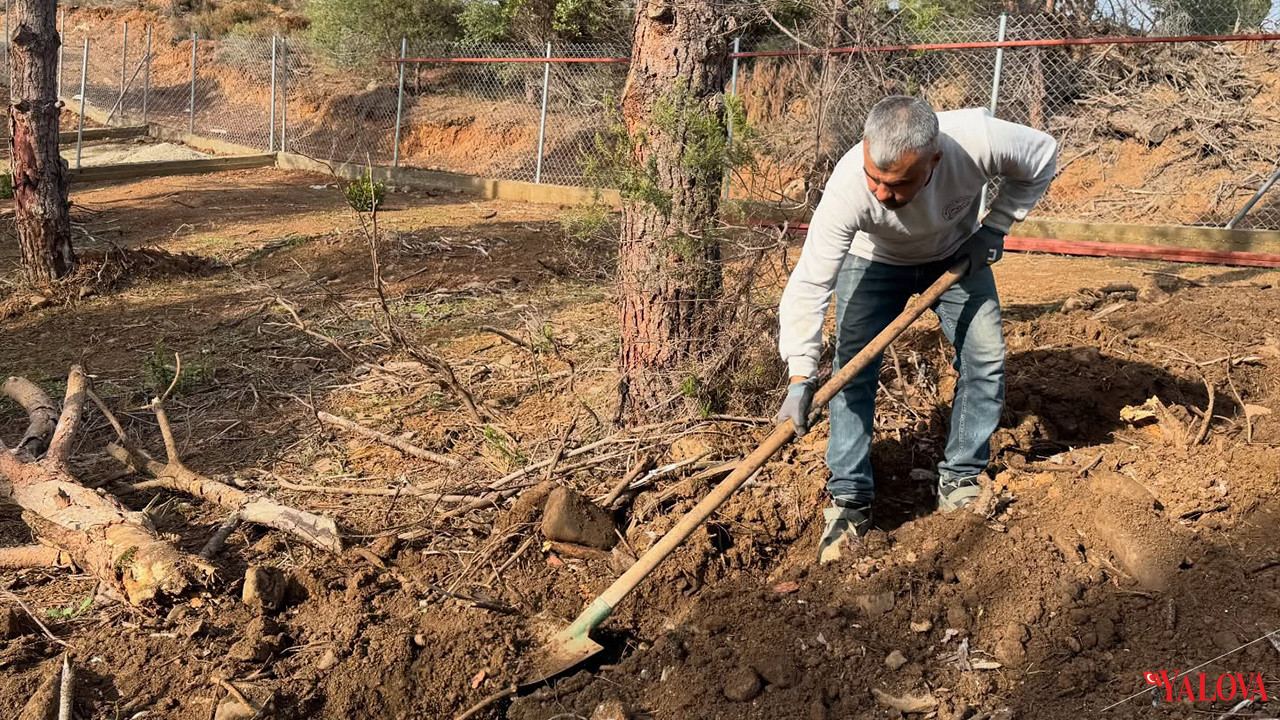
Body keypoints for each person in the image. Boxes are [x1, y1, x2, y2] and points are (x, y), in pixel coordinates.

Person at [775, 95, 1058, 564]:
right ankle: (849, 501)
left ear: (934, 160)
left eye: (898, 183)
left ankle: (962, 479)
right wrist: (801, 374)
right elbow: (810, 281)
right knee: (853, 371)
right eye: (875, 179)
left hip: (956, 256)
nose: (882, 194)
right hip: (873, 260)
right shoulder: (848, 186)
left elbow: (1043, 156)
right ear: (865, 148)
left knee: (984, 358)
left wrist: (995, 227)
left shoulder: (977, 142)